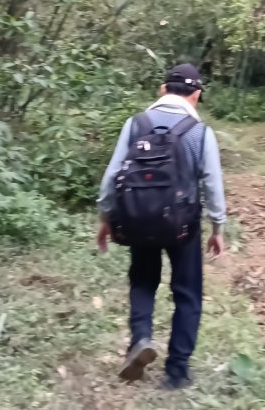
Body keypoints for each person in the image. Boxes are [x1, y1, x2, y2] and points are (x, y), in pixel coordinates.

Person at [97, 63, 227, 390]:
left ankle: (140, 339)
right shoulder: (200, 132)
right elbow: (211, 182)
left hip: (139, 218)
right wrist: (217, 227)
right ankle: (177, 371)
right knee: (187, 293)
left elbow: (113, 176)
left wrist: (105, 218)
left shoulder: (136, 123)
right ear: (196, 95)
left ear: (162, 89)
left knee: (143, 279)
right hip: (183, 226)